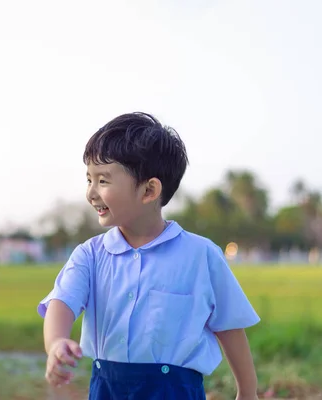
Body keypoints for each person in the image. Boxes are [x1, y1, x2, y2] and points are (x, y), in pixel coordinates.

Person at [37, 112, 260, 400]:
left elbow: (229, 326)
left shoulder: (201, 256)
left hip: (175, 391)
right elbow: (62, 303)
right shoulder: (90, 255)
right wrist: (56, 343)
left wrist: (247, 391)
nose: (91, 193)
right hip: (108, 389)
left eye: (103, 180)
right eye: (89, 179)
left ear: (149, 190)